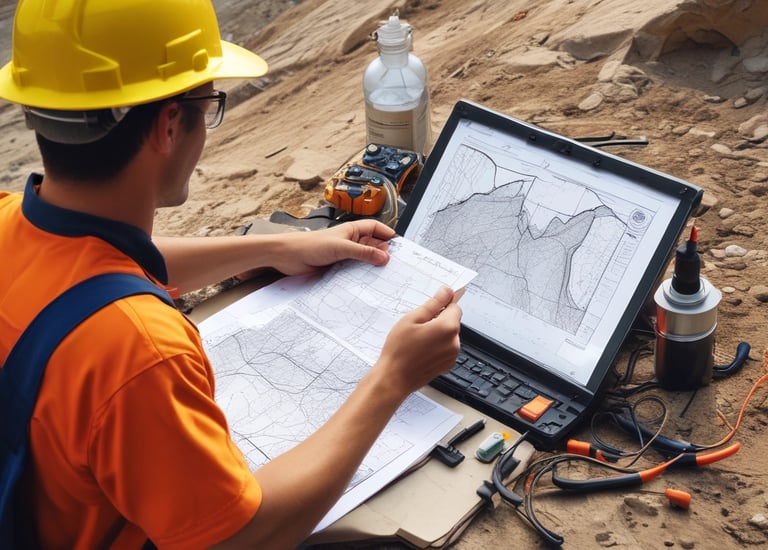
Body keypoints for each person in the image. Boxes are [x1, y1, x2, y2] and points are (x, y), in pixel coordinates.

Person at [0, 1, 463, 548]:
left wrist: (279, 246)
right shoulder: (138, 353)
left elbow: (95, 268)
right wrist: (391, 380)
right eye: (208, 103)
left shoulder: (10, 217)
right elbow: (243, 537)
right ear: (170, 124)